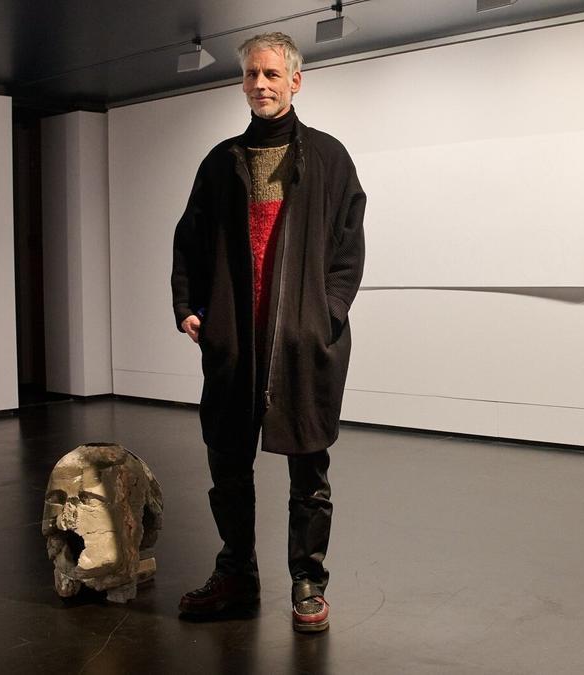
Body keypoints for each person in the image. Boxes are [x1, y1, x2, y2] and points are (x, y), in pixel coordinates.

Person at [170, 31, 365, 632]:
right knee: (227, 461)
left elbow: (347, 249)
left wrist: (324, 316)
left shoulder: (329, 159)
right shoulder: (221, 161)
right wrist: (188, 305)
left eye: (272, 75)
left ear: (295, 81)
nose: (260, 84)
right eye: (252, 74)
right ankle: (236, 573)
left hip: (302, 345)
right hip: (236, 342)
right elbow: (189, 241)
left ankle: (307, 582)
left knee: (309, 466)